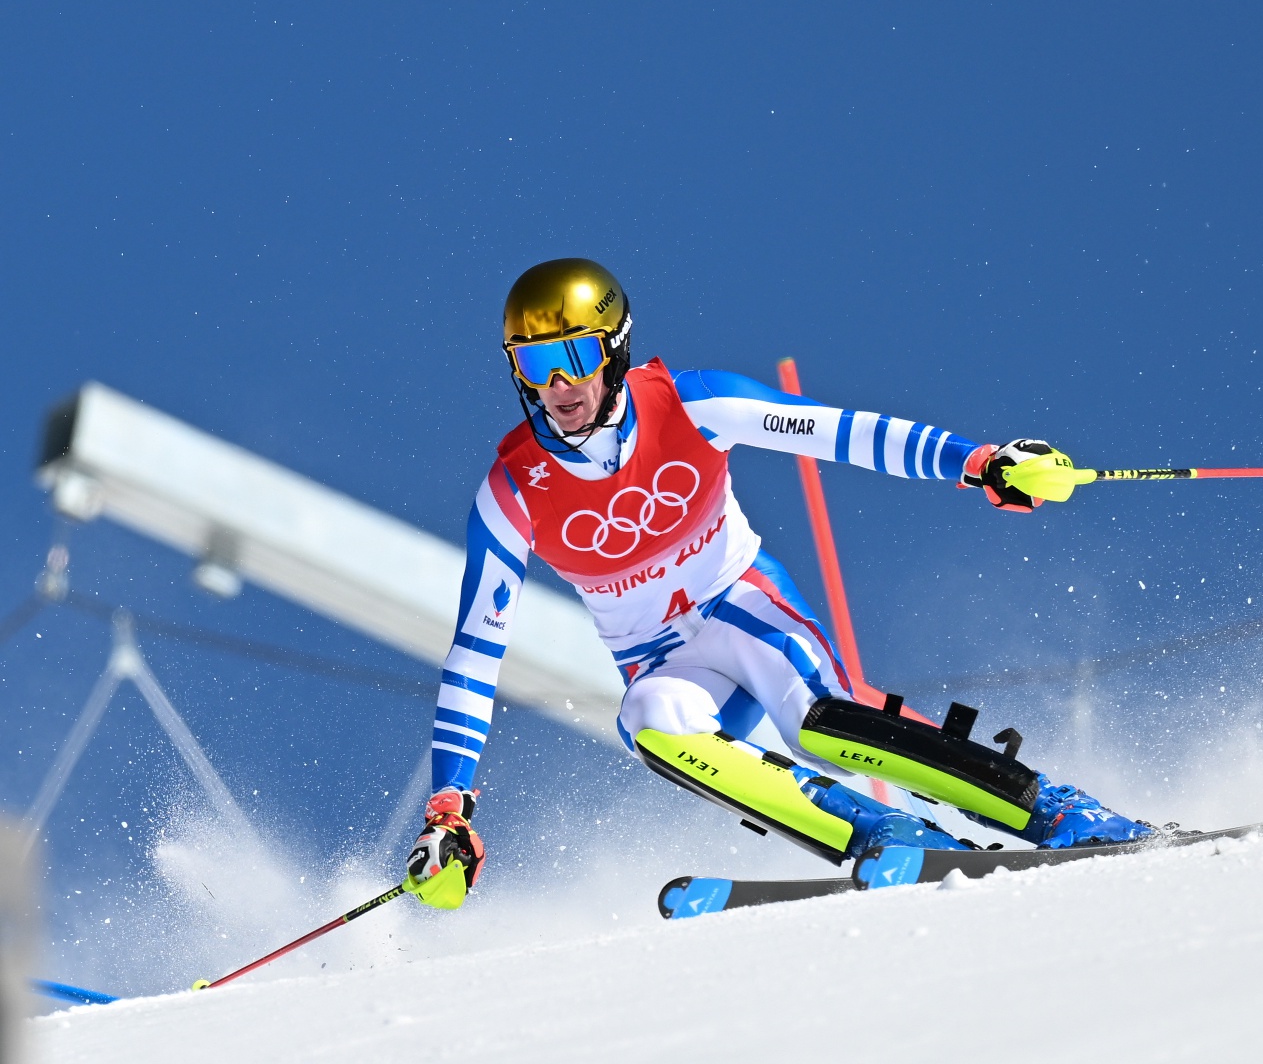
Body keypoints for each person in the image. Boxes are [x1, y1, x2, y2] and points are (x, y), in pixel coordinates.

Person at [406, 258, 1151, 908]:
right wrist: (449, 805)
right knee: (649, 718)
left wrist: (977, 460)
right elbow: (475, 651)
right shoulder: (513, 490)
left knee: (820, 725)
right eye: (536, 365)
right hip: (664, 659)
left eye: (574, 354)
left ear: (616, 347)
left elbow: (840, 431)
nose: (559, 385)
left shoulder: (695, 404)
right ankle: (887, 834)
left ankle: (1054, 811)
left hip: (746, 605)